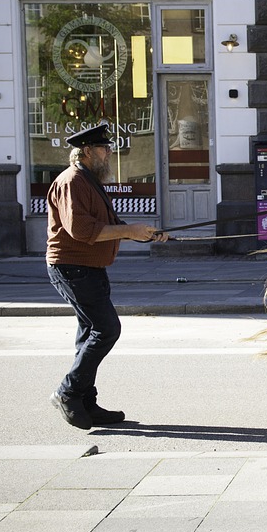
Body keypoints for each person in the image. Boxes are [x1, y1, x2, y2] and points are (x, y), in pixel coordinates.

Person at [46, 123, 168, 430]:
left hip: (88, 267)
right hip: (72, 267)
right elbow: (82, 230)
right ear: (87, 151)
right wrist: (129, 231)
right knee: (105, 329)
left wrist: (146, 234)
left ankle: (86, 400)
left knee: (89, 333)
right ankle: (68, 392)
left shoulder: (89, 180)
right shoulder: (72, 181)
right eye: (104, 148)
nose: (109, 153)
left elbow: (110, 223)